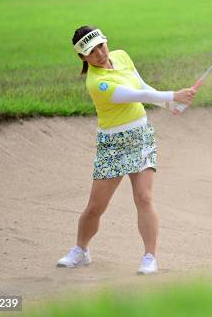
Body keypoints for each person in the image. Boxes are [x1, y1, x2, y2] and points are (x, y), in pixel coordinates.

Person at [56, 25, 195, 275]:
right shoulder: (96, 83)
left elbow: (143, 85)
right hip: (113, 145)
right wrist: (175, 94)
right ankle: (81, 250)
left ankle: (149, 257)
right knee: (95, 207)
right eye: (92, 51)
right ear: (83, 57)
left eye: (101, 45)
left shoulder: (121, 56)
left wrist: (169, 104)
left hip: (141, 137)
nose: (100, 53)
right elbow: (134, 95)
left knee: (144, 197)